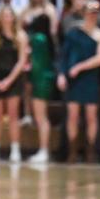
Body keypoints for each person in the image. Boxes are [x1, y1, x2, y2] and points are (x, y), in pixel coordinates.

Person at [59, 0, 100, 164]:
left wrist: (80, 67)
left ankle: (90, 151)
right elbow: (64, 55)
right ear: (84, 12)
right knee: (72, 115)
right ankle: (72, 151)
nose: (93, 14)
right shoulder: (74, 31)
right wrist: (62, 74)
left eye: (96, 11)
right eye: (90, 10)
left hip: (90, 77)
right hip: (74, 78)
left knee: (91, 116)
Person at [0, 5, 28, 162]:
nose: (7, 18)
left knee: (13, 115)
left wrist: (9, 80)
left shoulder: (21, 36)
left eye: (10, 15)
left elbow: (22, 61)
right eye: (4, 15)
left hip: (14, 78)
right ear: (0, 18)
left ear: (14, 17)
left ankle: (15, 150)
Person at [25, 13, 57, 164]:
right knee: (42, 117)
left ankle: (43, 150)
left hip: (39, 80)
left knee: (41, 117)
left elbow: (35, 63)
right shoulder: (47, 38)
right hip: (46, 77)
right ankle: (43, 150)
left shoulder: (37, 39)